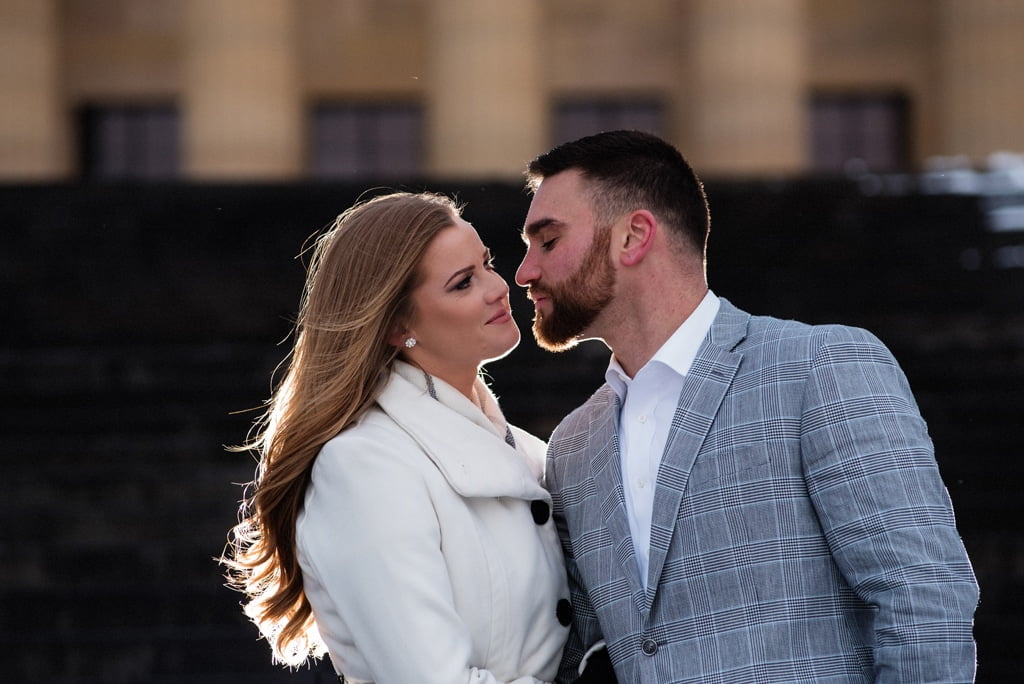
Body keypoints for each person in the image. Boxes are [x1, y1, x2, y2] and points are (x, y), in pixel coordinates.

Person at [514, 130, 979, 683]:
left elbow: (925, 601)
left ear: (633, 236)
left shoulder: (820, 368)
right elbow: (577, 651)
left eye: (547, 241)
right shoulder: (573, 443)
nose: (524, 272)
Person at [222, 191, 573, 683]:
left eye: (488, 264)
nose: (499, 287)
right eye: (463, 283)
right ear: (396, 325)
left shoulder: (528, 450)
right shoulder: (364, 466)